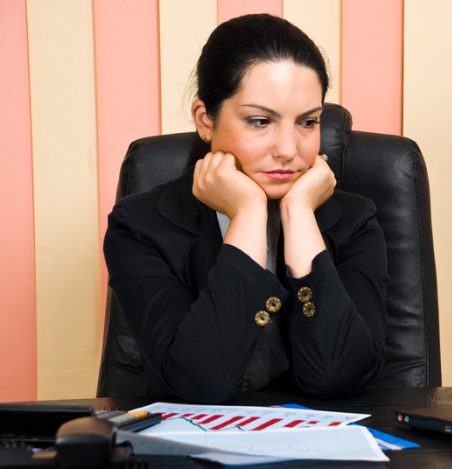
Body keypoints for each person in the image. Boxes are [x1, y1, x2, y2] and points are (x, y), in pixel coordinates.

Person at [104, 14, 388, 403]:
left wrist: (301, 213)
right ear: (205, 120)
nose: (288, 149)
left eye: (308, 122)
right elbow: (199, 386)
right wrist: (249, 215)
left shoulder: (357, 223)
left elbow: (338, 378)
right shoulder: (139, 227)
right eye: (259, 121)